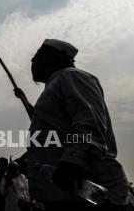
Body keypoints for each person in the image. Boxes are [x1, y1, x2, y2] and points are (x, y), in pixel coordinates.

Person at [15, 39, 132, 210]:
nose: (32, 62)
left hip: (88, 191)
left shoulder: (70, 76)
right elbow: (51, 127)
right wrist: (24, 99)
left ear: (55, 58)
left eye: (37, 56)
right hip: (66, 192)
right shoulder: (55, 85)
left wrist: (73, 160)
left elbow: (89, 121)